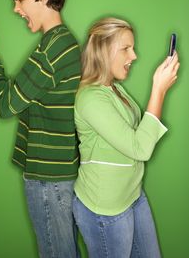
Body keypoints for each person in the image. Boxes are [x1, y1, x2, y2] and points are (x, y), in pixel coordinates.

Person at [0, 0, 81, 258]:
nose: (16, 9)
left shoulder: (52, 50)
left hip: (48, 178)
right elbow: (24, 99)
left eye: (20, 0)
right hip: (59, 174)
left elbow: (6, 105)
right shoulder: (63, 43)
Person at [72, 17, 179, 258]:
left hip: (132, 194)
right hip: (105, 209)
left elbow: (138, 134)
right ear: (103, 50)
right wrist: (158, 90)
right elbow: (140, 148)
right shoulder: (90, 99)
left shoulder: (114, 88)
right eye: (126, 49)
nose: (134, 56)